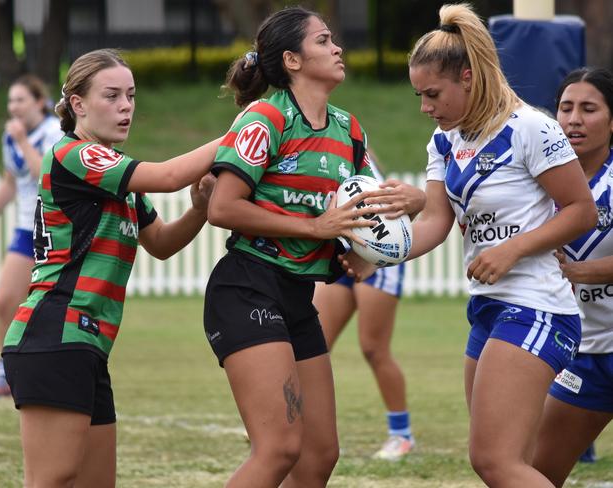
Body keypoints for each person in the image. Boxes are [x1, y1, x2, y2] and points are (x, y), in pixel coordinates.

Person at [203, 7, 424, 487]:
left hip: (298, 297)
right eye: (323, 41)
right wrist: (315, 228)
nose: (337, 48)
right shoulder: (265, 118)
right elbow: (222, 207)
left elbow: (364, 214)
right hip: (248, 289)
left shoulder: (349, 130)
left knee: (320, 455)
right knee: (280, 449)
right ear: (293, 60)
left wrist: (371, 245)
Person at [1, 49, 222, 488]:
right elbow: (167, 174)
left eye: (131, 96)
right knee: (52, 478)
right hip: (52, 334)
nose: (126, 106)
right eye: (112, 95)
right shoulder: (74, 156)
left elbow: (160, 243)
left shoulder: (114, 172)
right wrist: (248, 129)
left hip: (88, 345)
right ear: (78, 104)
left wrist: (198, 209)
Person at [403, 4, 597, 487]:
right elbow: (432, 222)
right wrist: (377, 251)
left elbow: (581, 211)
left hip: (537, 307)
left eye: (432, 94)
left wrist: (513, 249)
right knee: (507, 464)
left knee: (494, 460)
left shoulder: (532, 127)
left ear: (467, 77)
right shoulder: (443, 142)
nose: (425, 107)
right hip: (488, 308)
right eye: (419, 95)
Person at [532, 67, 613, 487]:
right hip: (584, 355)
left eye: (589, 108)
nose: (574, 119)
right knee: (532, 473)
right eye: (565, 108)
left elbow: (569, 270)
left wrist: (577, 271)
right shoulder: (535, 182)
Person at [312, 158, 413, 461]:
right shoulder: (312, 141)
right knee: (313, 344)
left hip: (378, 251)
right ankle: (292, 423)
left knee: (373, 348)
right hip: (342, 250)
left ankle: (401, 435)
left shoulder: (350, 138)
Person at [0, 74, 63, 400]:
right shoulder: (10, 136)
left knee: (52, 307)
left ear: (39, 102)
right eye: (11, 100)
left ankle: (53, 373)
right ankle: (6, 377)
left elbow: (46, 177)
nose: (14, 107)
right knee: (5, 300)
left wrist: (24, 141)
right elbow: (10, 183)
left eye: (21, 99)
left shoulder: (54, 132)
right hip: (27, 229)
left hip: (57, 228)